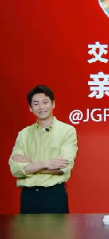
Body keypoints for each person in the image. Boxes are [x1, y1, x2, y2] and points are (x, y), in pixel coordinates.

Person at [8, 85, 78, 214]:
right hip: (29, 196)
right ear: (31, 108)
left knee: (58, 228)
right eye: (36, 104)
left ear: (53, 104)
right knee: (26, 228)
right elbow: (15, 169)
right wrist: (46, 164)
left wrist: (31, 164)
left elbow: (62, 169)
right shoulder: (24, 134)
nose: (41, 107)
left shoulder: (67, 131)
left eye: (45, 102)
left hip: (54, 195)